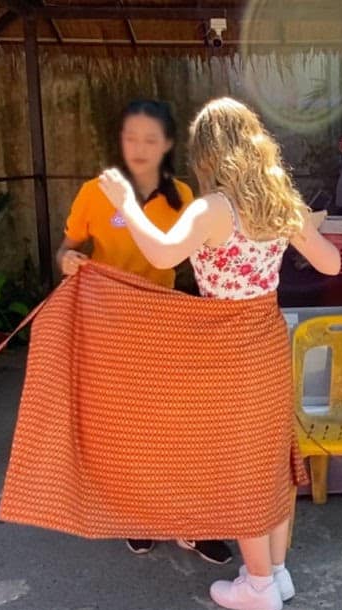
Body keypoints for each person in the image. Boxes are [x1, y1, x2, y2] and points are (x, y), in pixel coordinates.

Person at [96, 97, 341, 610]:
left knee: (240, 464)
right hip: (269, 339)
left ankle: (257, 586)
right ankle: (275, 571)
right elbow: (333, 262)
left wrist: (125, 203)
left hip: (225, 346)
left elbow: (162, 253)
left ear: (206, 152)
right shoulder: (279, 202)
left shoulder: (212, 208)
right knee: (269, 457)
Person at [56, 99, 233, 566]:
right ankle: (135, 516)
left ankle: (189, 525)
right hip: (109, 326)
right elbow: (67, 248)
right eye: (131, 138)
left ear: (168, 145)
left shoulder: (184, 197)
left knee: (176, 428)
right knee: (124, 429)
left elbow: (202, 259)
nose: (139, 148)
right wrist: (68, 263)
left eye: (150, 140)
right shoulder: (95, 193)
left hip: (163, 325)